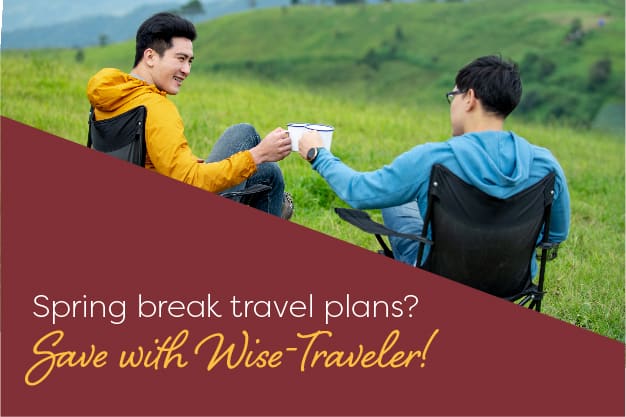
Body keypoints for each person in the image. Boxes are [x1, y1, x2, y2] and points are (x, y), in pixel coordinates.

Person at [298, 55, 570, 276]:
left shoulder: (433, 159)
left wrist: (317, 153)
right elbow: (556, 234)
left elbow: (359, 192)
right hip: (512, 281)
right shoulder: (547, 165)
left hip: (440, 276)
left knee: (395, 199)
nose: (452, 105)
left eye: (453, 96)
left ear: (470, 98)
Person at [86, 12, 293, 218]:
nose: (186, 70)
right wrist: (258, 154)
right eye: (180, 59)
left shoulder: (107, 97)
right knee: (246, 136)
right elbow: (190, 181)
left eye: (190, 61)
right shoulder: (156, 109)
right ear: (150, 57)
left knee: (268, 172)